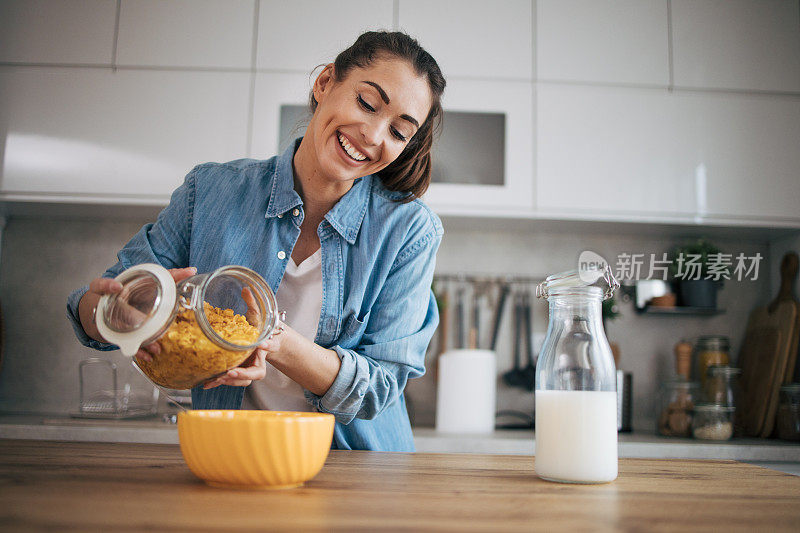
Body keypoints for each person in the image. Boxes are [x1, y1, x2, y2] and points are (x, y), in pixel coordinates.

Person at [66, 31, 446, 452]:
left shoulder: (410, 230)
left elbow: (380, 386)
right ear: (325, 83)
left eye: (398, 132)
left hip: (357, 472)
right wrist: (112, 311)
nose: (374, 136)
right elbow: (98, 307)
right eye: (367, 104)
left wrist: (269, 337)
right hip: (232, 455)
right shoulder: (210, 191)